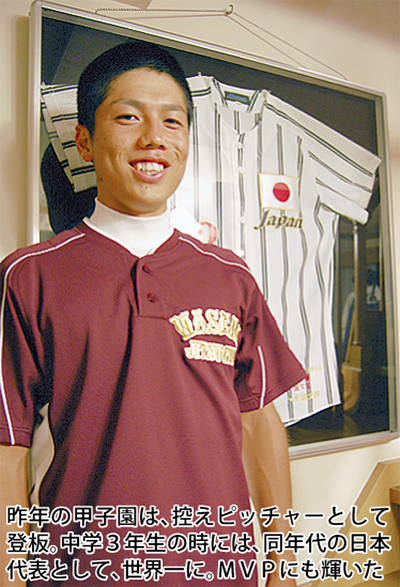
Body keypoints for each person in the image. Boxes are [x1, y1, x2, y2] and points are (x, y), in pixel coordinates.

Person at [0, 41, 306, 586]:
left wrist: (283, 562)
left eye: (173, 121)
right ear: (85, 141)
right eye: (128, 117)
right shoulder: (29, 275)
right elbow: (8, 442)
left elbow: (258, 418)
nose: (154, 138)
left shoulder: (230, 275)